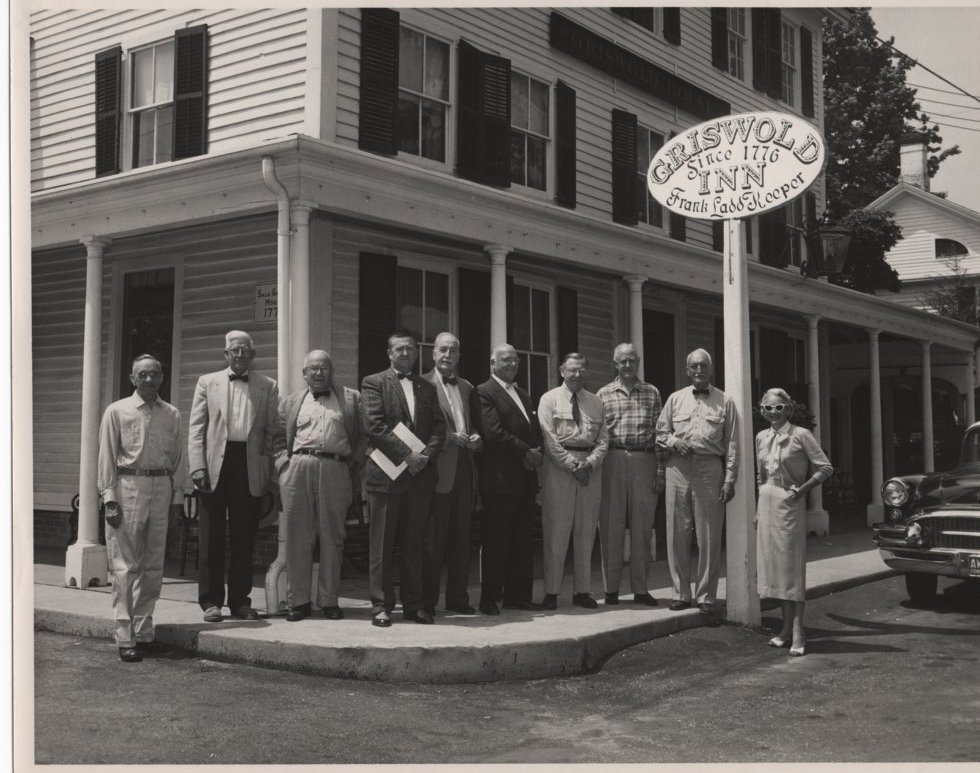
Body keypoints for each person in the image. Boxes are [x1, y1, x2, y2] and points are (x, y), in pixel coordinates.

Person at [98, 355, 185, 662]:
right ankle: (124, 636)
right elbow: (107, 456)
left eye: (155, 374)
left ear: (162, 377)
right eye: (143, 374)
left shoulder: (171, 414)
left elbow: (177, 458)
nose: (149, 379)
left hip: (161, 487)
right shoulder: (117, 411)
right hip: (128, 488)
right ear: (133, 379)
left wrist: (176, 500)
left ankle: (144, 631)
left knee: (153, 567)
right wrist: (109, 499)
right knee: (125, 566)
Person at [188, 330, 279, 623]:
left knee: (245, 536)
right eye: (235, 351)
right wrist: (197, 466)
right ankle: (211, 602)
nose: (240, 356)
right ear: (226, 354)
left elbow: (270, 433)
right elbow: (196, 429)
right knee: (211, 536)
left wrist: (267, 472)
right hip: (214, 466)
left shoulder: (268, 386)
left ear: (253, 355)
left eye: (246, 351)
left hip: (249, 466)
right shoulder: (207, 382)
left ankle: (240, 601)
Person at [361, 331, 446, 627]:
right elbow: (374, 425)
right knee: (381, 544)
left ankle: (414, 604)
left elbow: (438, 425)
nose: (406, 353)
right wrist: (407, 455)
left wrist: (426, 456)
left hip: (419, 477)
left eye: (410, 349)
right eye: (400, 349)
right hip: (386, 475)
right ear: (389, 353)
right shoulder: (373, 382)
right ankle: (381, 605)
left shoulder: (426, 386)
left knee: (415, 544)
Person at [274, 350, 364, 622]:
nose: (318, 373)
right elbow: (277, 439)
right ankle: (298, 602)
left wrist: (348, 466)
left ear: (331, 371)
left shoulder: (350, 399)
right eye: (313, 368)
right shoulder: (290, 403)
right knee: (297, 537)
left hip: (335, 469)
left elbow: (361, 437)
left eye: (324, 367)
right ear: (304, 374)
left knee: (332, 537)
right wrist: (283, 468)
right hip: (298, 468)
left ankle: (328, 600)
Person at [656, 348, 737, 617]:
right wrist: (674, 441)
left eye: (703, 366)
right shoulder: (675, 399)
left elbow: (732, 444)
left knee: (709, 536)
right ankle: (680, 593)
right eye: (694, 366)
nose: (699, 370)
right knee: (677, 533)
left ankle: (705, 596)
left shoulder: (725, 402)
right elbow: (660, 431)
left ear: (710, 369)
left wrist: (729, 478)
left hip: (709, 467)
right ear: (687, 370)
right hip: (678, 467)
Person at [755, 388, 833, 657]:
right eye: (768, 408)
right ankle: (785, 628)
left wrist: (801, 490)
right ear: (762, 410)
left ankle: (799, 630)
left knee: (791, 570)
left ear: (788, 409)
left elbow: (825, 467)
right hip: (766, 503)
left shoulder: (800, 435)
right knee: (774, 569)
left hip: (789, 504)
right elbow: (759, 476)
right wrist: (757, 508)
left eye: (779, 408)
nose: (773, 413)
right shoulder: (761, 437)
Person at [472, 343, 543, 615]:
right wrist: (527, 452)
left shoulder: (523, 394)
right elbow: (493, 433)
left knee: (522, 541)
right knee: (497, 542)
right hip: (499, 480)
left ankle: (518, 597)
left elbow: (533, 430)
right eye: (505, 360)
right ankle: (490, 598)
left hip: (524, 479)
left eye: (515, 360)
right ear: (493, 364)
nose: (511, 364)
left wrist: (536, 451)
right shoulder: (484, 392)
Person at [537, 353, 609, 609]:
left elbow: (603, 440)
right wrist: (571, 465)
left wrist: (589, 463)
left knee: (586, 530)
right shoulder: (549, 399)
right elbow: (549, 438)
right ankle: (552, 593)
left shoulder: (596, 402)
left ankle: (582, 591)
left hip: (589, 468)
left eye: (582, 370)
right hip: (559, 470)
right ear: (562, 370)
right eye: (572, 370)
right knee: (557, 530)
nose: (577, 374)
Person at [596, 343, 664, 607]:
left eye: (632, 361)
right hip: (613, 459)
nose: (627, 366)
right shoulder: (602, 394)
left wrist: (660, 470)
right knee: (611, 525)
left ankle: (641, 588)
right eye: (622, 361)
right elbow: (599, 434)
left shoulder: (652, 393)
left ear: (638, 362)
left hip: (644, 459)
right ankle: (611, 589)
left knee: (642, 527)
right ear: (615, 363)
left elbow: (660, 434)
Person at [421, 333, 482, 616]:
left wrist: (476, 437)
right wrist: (449, 438)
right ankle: (428, 602)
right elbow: (419, 429)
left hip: (464, 473)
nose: (447, 355)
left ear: (459, 356)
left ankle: (458, 599)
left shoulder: (468, 387)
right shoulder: (422, 384)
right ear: (433, 354)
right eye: (443, 350)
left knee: (461, 541)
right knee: (433, 542)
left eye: (453, 351)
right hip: (436, 474)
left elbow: (473, 424)